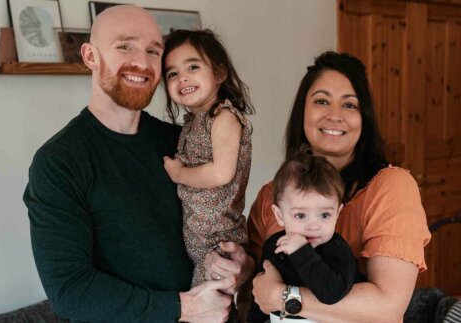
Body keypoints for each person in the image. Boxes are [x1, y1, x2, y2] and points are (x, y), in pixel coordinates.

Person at [23, 5, 251, 323]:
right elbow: (70, 292)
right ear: (90, 56)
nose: (142, 63)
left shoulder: (182, 143)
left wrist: (242, 264)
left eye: (153, 51)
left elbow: (223, 216)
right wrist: (182, 308)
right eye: (125, 46)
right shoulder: (59, 163)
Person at [246, 51, 431, 323]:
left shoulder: (391, 187)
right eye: (321, 101)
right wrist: (233, 267)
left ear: (364, 119)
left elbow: (387, 308)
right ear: (303, 112)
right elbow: (253, 278)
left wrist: (283, 298)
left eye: (350, 105)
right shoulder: (269, 195)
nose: (335, 116)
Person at [161, 29, 254, 288]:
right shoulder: (194, 121)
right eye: (172, 73)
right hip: (199, 236)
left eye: (192, 66)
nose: (183, 78)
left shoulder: (224, 118)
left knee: (207, 305)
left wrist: (178, 174)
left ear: (219, 74)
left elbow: (221, 173)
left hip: (218, 238)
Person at [247, 154, 365, 323]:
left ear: (337, 214)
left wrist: (302, 252)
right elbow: (260, 296)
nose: (313, 226)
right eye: (301, 215)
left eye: (324, 215)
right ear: (279, 215)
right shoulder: (274, 246)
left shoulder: (339, 252)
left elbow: (331, 294)